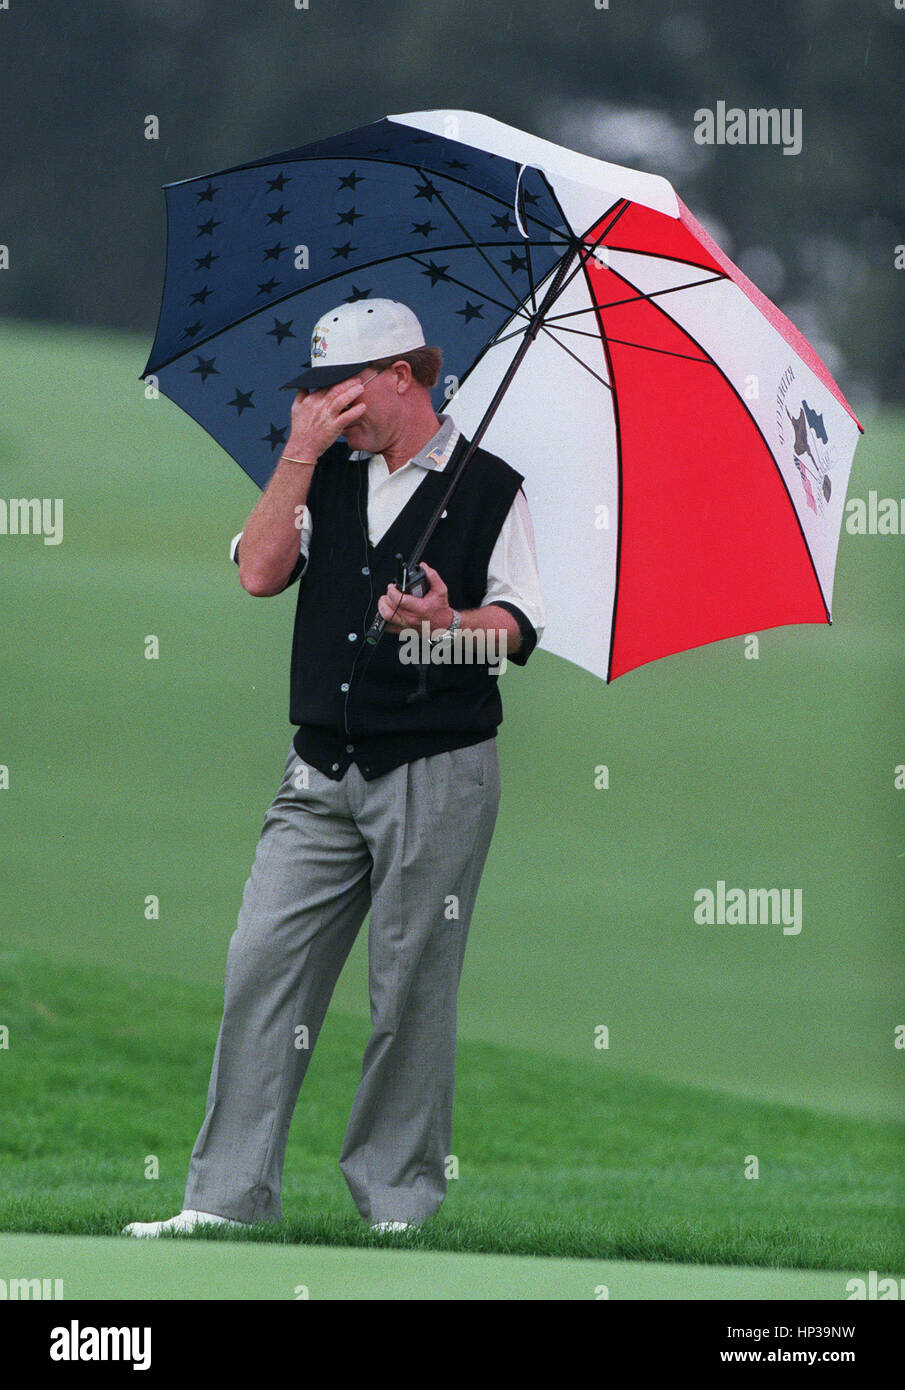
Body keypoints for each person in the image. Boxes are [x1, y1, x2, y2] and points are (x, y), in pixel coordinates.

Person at [123, 298, 545, 1237]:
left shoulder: (490, 487)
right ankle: (225, 1200)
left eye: (334, 388)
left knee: (410, 990)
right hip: (318, 767)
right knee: (260, 965)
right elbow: (259, 572)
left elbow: (516, 626)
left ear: (402, 376)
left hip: (438, 769)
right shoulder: (319, 473)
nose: (318, 405)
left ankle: (395, 1203)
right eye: (313, 390)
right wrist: (299, 454)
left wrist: (447, 627)